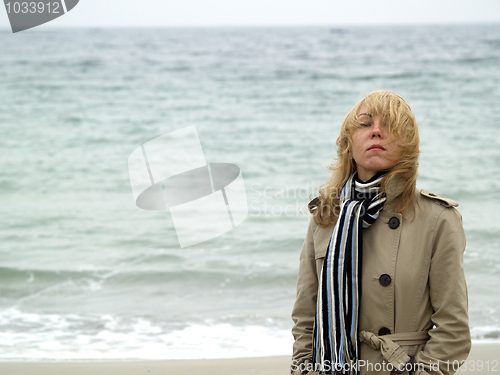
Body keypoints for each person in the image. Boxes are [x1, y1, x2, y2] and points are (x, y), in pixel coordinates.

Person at [290, 91, 471, 375]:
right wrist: (304, 368)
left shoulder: (438, 219)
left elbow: (454, 330)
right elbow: (305, 319)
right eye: (365, 124)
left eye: (389, 125)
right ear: (349, 145)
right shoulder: (326, 217)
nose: (376, 131)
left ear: (407, 146)